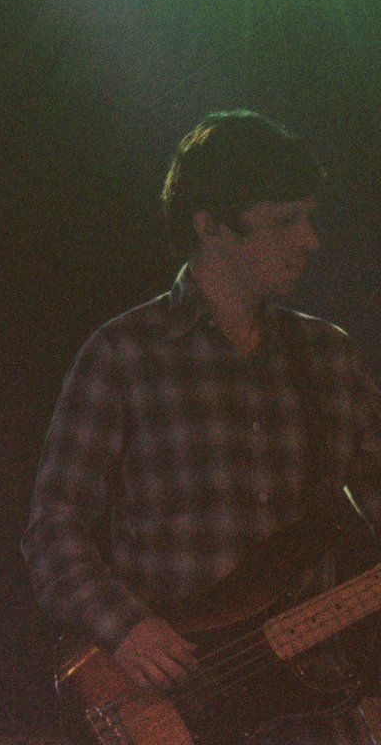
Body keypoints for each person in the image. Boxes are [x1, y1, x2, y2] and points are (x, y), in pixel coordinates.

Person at [25, 110, 381, 742]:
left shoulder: (329, 356)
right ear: (210, 226)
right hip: (176, 703)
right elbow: (54, 527)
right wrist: (125, 629)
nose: (311, 240)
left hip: (319, 704)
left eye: (309, 217)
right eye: (285, 220)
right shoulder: (125, 354)